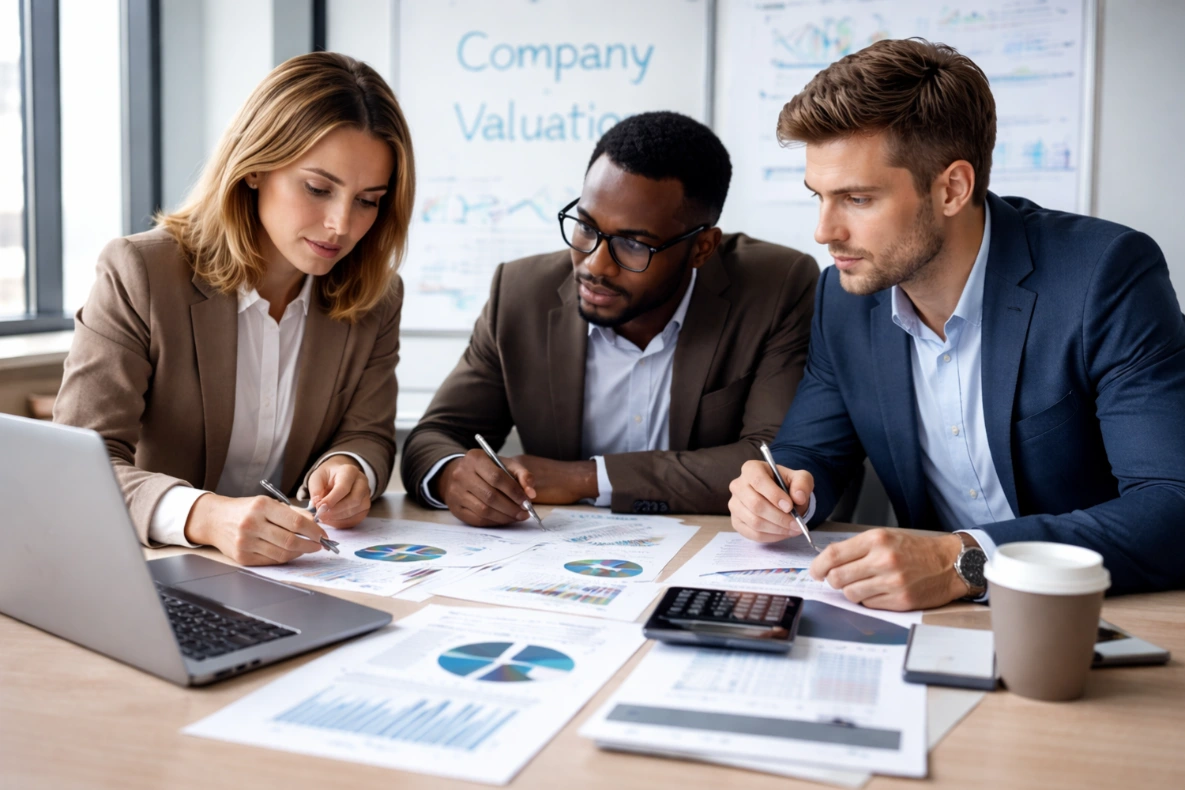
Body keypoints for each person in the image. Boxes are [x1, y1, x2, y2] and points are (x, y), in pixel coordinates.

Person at [728, 38, 1185, 609]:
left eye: (857, 199)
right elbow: (812, 454)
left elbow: (1172, 504)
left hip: (1092, 613)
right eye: (818, 196)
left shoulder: (1104, 275)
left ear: (952, 188)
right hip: (928, 621)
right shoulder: (843, 297)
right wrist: (779, 494)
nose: (825, 232)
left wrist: (964, 560)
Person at [53, 52, 415, 566]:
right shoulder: (141, 273)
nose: (341, 224)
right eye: (318, 188)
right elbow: (79, 465)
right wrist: (202, 514)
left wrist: (352, 465)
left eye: (368, 200)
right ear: (255, 168)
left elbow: (368, 433)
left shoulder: (377, 298)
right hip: (150, 570)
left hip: (298, 574)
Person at [401, 111, 819, 526]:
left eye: (633, 244)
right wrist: (454, 474)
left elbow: (775, 461)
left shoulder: (775, 288)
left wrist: (585, 478)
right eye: (585, 226)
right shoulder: (520, 293)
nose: (595, 264)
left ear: (702, 248)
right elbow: (433, 438)